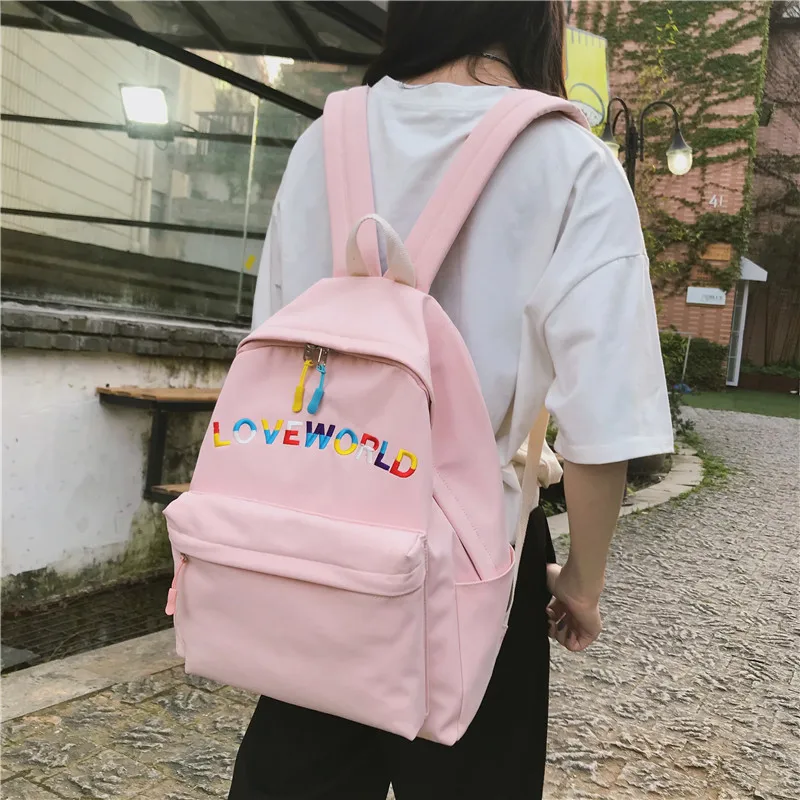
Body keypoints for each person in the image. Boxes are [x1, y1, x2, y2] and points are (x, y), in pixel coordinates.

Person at [230, 2, 673, 798]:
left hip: (319, 533)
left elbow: (273, 350)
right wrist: (580, 583)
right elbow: (604, 423)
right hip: (478, 556)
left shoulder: (323, 140)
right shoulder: (570, 161)